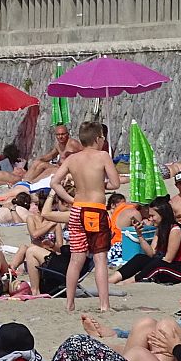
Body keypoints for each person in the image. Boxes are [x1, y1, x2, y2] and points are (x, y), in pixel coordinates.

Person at [50, 121, 121, 311]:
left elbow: (55, 182)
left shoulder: (72, 159)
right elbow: (115, 184)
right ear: (98, 139)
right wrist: (100, 185)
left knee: (76, 259)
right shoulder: (102, 156)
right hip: (96, 209)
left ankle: (69, 302)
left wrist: (71, 199)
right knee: (100, 259)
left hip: (78, 209)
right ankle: (104, 304)